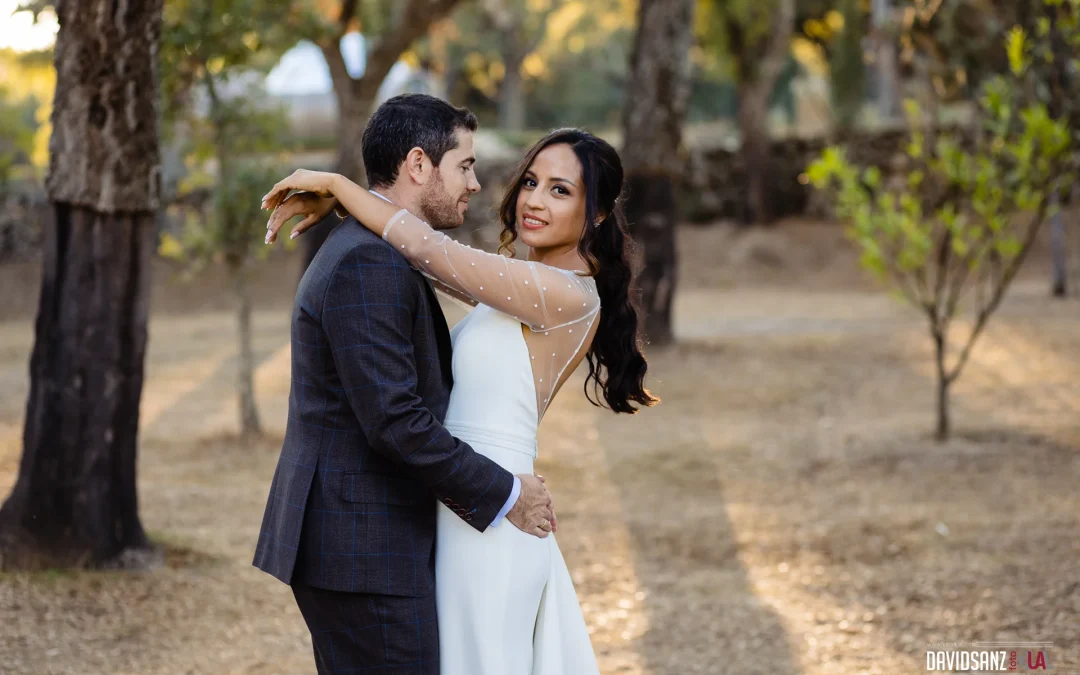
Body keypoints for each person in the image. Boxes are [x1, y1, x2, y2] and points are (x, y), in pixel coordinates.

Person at [264, 110, 659, 673]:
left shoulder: (564, 294)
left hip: (494, 514)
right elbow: (424, 256)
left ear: (594, 213)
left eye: (560, 190)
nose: (534, 200)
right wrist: (355, 207)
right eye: (530, 181)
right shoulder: (518, 285)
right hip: (464, 502)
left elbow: (429, 251)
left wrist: (338, 186)